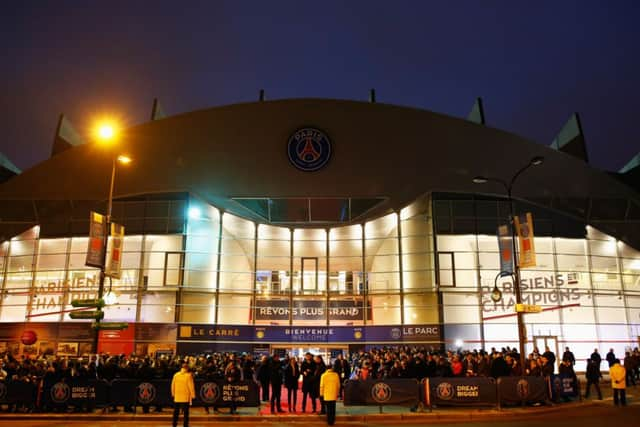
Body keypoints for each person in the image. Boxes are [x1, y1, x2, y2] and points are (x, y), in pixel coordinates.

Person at [171, 363, 195, 427]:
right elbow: (191, 386)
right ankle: (185, 425)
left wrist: (173, 393)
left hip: (177, 396)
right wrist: (193, 395)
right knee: (186, 413)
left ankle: (174, 424)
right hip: (185, 397)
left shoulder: (176, 375)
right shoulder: (188, 376)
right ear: (187, 368)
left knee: (176, 412)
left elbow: (173, 385)